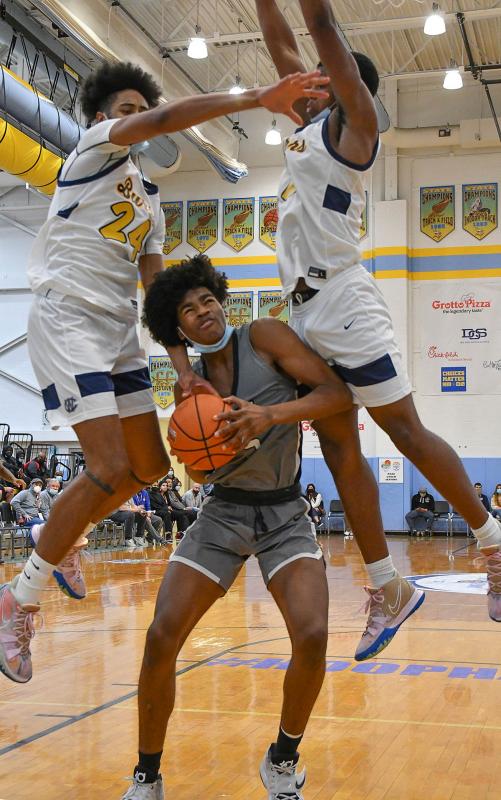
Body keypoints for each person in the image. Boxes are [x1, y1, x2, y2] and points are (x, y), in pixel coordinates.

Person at [0, 60, 330, 684]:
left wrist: (182, 369)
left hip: (121, 329)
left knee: (149, 470)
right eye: (127, 111)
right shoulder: (93, 149)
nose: (137, 121)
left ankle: (60, 534)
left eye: (137, 112)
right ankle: (20, 594)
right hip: (68, 314)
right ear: (103, 118)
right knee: (106, 469)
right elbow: (168, 116)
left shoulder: (146, 195)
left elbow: (156, 286)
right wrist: (258, 94)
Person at [248, 0, 501, 640]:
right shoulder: (307, 127)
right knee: (337, 448)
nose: (309, 83)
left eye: (324, 79)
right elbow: (281, 46)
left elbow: (320, 31)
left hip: (346, 304)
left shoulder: (357, 128)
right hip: (304, 312)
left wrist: (313, 17)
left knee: (407, 432)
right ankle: (388, 585)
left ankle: (494, 543)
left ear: (345, 85)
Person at [120, 254, 362, 800]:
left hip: (285, 513)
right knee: (161, 636)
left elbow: (336, 395)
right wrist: (200, 453)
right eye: (188, 309)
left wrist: (268, 415)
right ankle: (147, 775)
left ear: (221, 299)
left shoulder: (265, 336)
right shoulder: (190, 387)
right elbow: (196, 467)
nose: (203, 310)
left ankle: (282, 757)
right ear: (177, 329)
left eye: (207, 299)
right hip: (222, 511)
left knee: (313, 633)